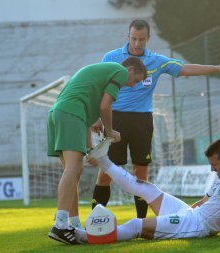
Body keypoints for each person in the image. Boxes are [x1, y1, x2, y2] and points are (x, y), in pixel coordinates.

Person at [92, 19, 220, 219]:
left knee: (141, 174)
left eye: (142, 40)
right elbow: (99, 87)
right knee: (106, 173)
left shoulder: (156, 60)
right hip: (115, 118)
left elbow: (186, 68)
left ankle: (142, 223)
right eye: (134, 38)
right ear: (128, 36)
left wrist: (216, 67)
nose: (137, 44)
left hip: (142, 121)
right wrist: (97, 117)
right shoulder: (111, 57)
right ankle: (94, 219)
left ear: (148, 39)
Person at [74, 138, 220, 244]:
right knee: (148, 189)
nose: (211, 169)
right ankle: (103, 159)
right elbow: (205, 201)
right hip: (191, 215)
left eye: (214, 164)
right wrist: (182, 213)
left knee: (138, 225)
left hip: (198, 226)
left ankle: (86, 237)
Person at [47, 56, 147, 245]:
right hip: (70, 113)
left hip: (58, 113)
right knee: (73, 169)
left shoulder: (98, 79)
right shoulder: (120, 71)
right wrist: (110, 132)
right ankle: (59, 224)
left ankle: (74, 226)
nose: (133, 86)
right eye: (136, 81)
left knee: (75, 171)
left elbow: (86, 119)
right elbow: (105, 106)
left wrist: (90, 149)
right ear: (131, 70)